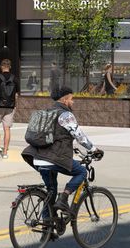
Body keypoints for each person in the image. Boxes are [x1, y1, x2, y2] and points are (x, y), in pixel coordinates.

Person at [22, 84, 101, 218]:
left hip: (37, 158)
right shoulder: (65, 114)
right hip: (53, 159)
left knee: (51, 191)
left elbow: (56, 136)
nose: (73, 102)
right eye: (71, 99)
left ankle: (47, 226)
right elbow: (79, 136)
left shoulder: (48, 111)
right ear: (65, 100)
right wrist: (94, 149)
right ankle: (64, 198)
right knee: (82, 171)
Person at [0, 57, 19, 158]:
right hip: (10, 106)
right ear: (9, 67)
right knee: (7, 129)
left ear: (1, 66)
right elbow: (16, 95)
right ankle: (5, 152)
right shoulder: (15, 78)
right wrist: (15, 105)